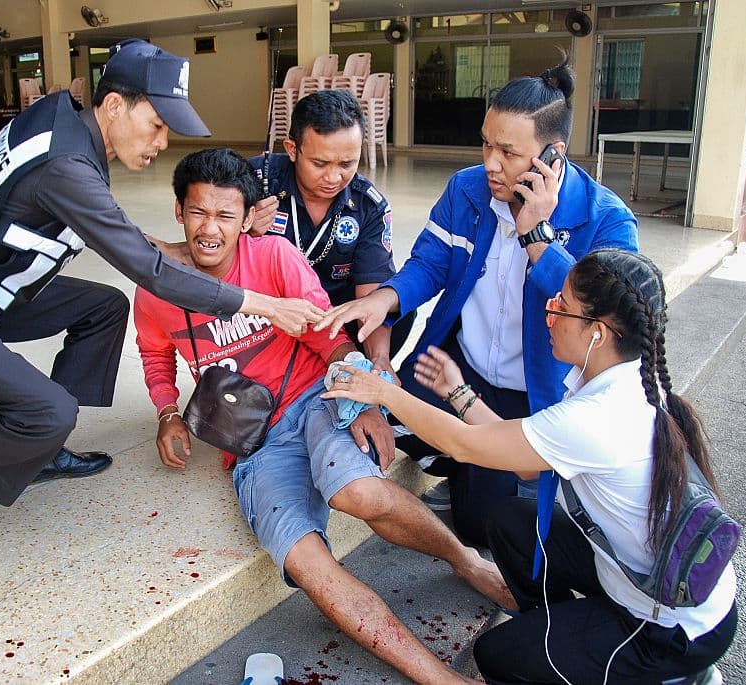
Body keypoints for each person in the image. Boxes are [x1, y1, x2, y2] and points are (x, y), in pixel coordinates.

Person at [0, 40, 323, 549]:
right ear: (114, 106)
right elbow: (147, 269)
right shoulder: (66, 166)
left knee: (103, 307)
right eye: (156, 124)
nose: (161, 141)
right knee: (49, 412)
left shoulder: (64, 120)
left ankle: (39, 448)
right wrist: (265, 304)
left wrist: (195, 242)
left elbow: (112, 231)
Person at [134, 148, 511, 685]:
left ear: (246, 218)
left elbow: (329, 337)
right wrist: (168, 411)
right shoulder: (157, 288)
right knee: (307, 564)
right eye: (198, 213)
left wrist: (363, 399)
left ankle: (465, 560)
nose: (209, 230)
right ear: (178, 212)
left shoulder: (274, 257)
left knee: (356, 492)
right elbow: (155, 356)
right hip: (252, 439)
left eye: (224, 216)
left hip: (315, 395)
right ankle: (437, 677)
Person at [323, 249, 737, 685]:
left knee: (498, 656)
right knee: (513, 519)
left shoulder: (598, 415)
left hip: (669, 630)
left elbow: (462, 447)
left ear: (597, 333)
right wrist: (460, 393)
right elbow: (527, 466)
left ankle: (668, 676)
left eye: (563, 306)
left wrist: (384, 393)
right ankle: (566, 634)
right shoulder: (632, 379)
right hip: (648, 581)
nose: (550, 312)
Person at [315, 56, 638, 546]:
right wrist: (384, 299)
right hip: (457, 368)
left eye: (508, 152)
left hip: (530, 395)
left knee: (478, 528)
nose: (490, 163)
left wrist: (538, 236)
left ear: (553, 155)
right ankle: (472, 465)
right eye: (486, 143)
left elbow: (599, 315)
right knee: (387, 418)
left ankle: (503, 470)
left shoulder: (606, 220)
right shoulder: (467, 189)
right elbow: (428, 264)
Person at [248, 89, 416, 371]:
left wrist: (379, 361)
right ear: (292, 149)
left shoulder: (368, 205)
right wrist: (244, 231)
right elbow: (210, 252)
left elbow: (371, 296)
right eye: (319, 163)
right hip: (269, 314)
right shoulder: (255, 182)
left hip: (335, 317)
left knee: (397, 304)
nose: (333, 177)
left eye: (347, 163)